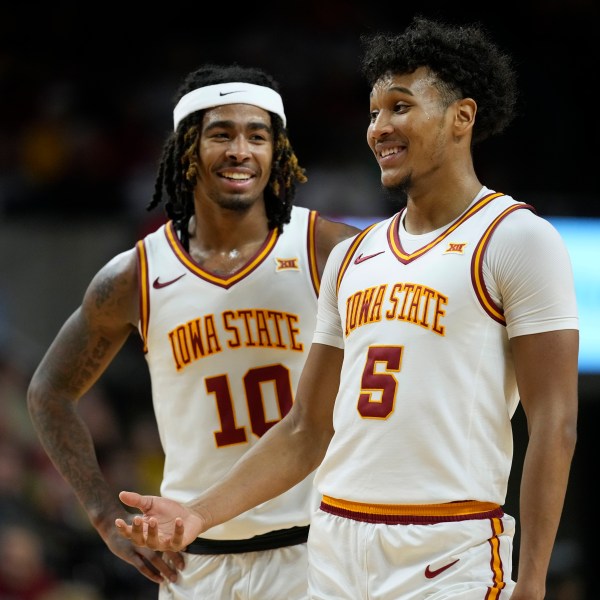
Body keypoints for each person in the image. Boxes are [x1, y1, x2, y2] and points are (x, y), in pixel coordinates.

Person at [115, 16, 580, 600]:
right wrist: (197, 515)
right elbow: (306, 427)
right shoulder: (354, 256)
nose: (379, 128)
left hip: (446, 549)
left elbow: (555, 426)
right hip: (335, 543)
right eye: (373, 112)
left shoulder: (517, 239)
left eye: (400, 107)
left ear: (462, 117)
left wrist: (532, 581)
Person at [27, 63, 360, 599]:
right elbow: (49, 392)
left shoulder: (328, 250)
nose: (240, 150)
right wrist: (100, 509)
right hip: (194, 565)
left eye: (257, 135)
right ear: (187, 148)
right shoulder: (135, 275)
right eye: (220, 134)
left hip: (317, 552)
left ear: (278, 151)